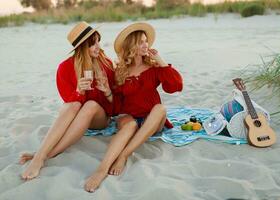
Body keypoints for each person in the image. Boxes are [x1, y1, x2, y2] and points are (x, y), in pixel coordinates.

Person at [84, 22, 183, 192]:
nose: (146, 45)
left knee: (161, 109)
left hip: (151, 120)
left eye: (146, 41)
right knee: (129, 124)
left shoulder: (154, 67)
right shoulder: (121, 71)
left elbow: (175, 86)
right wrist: (108, 92)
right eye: (140, 42)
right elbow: (116, 106)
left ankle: (123, 155)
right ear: (131, 46)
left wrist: (161, 61)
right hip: (129, 117)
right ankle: (102, 169)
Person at [20, 21, 117, 181]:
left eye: (98, 41)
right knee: (75, 104)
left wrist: (107, 92)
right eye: (92, 44)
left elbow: (115, 108)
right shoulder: (65, 68)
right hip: (78, 117)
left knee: (91, 105)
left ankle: (43, 155)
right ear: (81, 47)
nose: (98, 47)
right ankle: (39, 157)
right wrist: (79, 91)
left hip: (101, 117)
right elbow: (70, 106)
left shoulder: (106, 64)